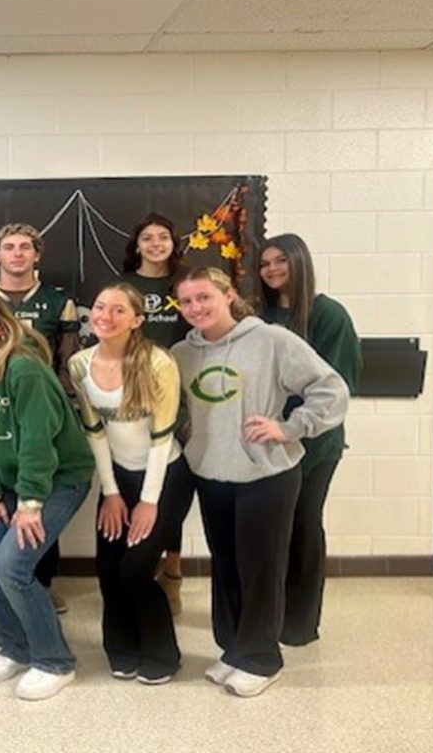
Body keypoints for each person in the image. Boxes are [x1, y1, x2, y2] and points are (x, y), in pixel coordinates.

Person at [171, 267, 348, 698]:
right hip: (212, 474)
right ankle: (234, 650)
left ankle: (262, 658)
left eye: (205, 297)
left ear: (229, 295)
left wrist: (289, 427)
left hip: (265, 474)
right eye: (187, 301)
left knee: (261, 568)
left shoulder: (271, 340)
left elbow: (331, 389)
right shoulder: (181, 352)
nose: (196, 308)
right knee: (227, 565)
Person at [0, 290, 93, 701]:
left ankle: (54, 661)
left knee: (12, 565)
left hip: (59, 479)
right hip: (16, 485)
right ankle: (15, 648)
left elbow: (37, 442)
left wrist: (30, 504)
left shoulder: (24, 369)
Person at [69, 283, 188, 685]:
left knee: (136, 570)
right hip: (116, 476)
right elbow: (95, 433)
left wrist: (148, 502)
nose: (105, 315)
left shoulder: (158, 363)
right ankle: (121, 648)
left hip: (164, 476)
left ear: (137, 320)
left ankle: (164, 655)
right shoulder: (79, 364)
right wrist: (112, 493)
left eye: (119, 310)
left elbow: (162, 439)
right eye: (100, 307)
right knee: (108, 568)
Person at [256, 234, 361, 647]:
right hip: (269, 443)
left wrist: (298, 426)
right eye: (265, 264)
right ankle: (272, 612)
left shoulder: (327, 314)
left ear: (300, 261)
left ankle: (300, 623)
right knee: (273, 530)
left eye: (281, 260)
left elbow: (341, 384)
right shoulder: (260, 315)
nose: (273, 270)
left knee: (303, 524)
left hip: (315, 446)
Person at [0, 222, 79, 613]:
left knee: (38, 493)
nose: (18, 254)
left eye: (26, 247)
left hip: (43, 411)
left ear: (37, 255)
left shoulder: (59, 302)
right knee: (5, 493)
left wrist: (63, 404)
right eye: (10, 247)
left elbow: (68, 359)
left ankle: (41, 581)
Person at [119, 213, 192, 615]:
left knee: (173, 489)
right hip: (133, 398)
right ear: (137, 245)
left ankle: (173, 571)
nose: (155, 243)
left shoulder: (183, 284)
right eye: (146, 237)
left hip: (179, 394)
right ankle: (138, 566)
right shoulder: (125, 287)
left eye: (163, 236)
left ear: (172, 243)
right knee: (139, 484)